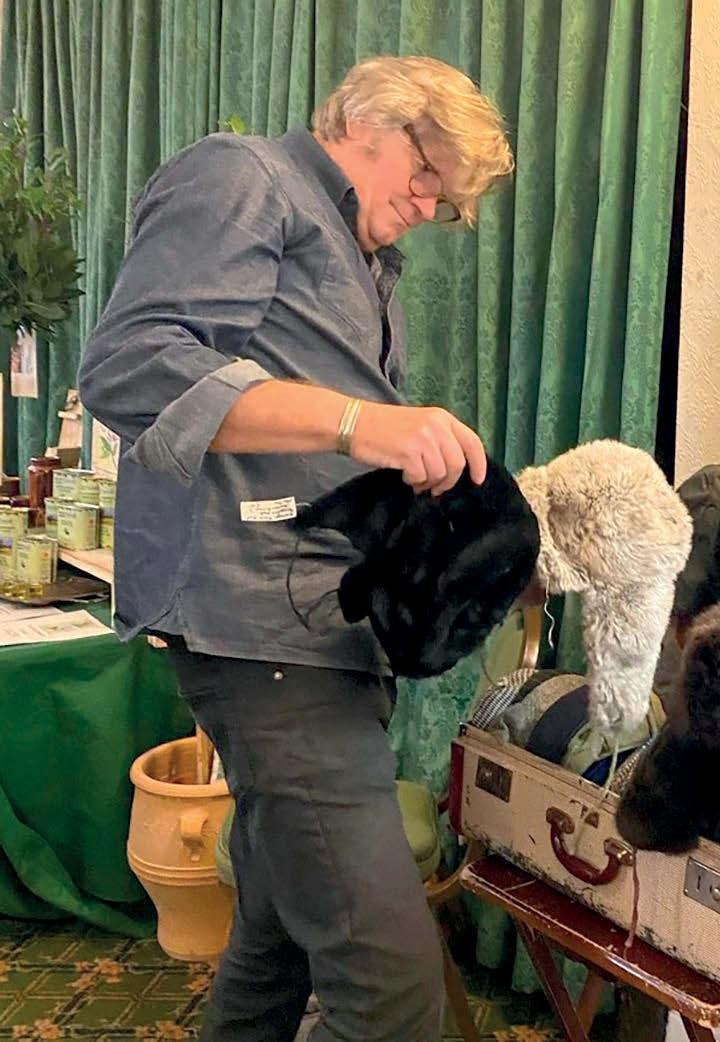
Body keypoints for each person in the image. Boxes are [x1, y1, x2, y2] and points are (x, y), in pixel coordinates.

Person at [78, 56, 514, 1042]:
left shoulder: (365, 261)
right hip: (260, 632)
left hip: (323, 633)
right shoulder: (241, 175)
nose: (427, 201)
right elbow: (133, 369)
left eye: (444, 197)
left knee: (270, 953)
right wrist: (362, 424)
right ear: (363, 115)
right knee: (393, 990)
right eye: (425, 167)